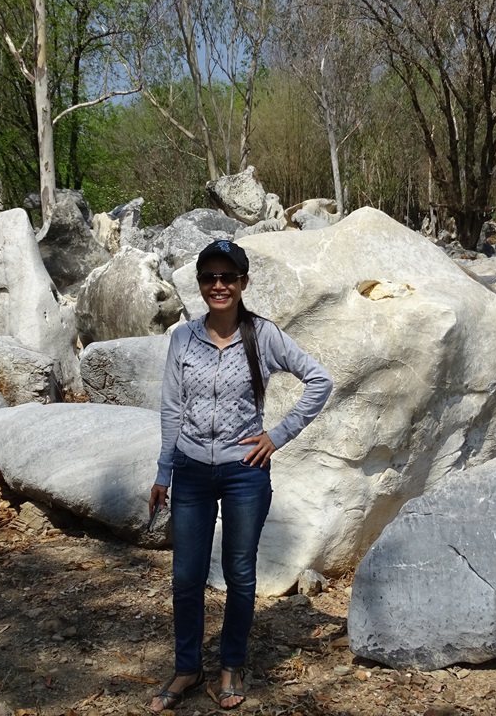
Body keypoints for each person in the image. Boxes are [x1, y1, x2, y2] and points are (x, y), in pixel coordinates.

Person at [147, 240, 332, 712]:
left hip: (244, 471)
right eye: (209, 276)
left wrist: (279, 434)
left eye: (228, 277)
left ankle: (232, 664)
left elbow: (319, 380)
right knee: (186, 575)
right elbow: (171, 408)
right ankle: (188, 667)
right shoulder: (183, 338)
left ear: (244, 283)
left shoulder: (263, 335)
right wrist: (164, 472)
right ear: (200, 284)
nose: (218, 285)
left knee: (240, 573)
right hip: (189, 470)